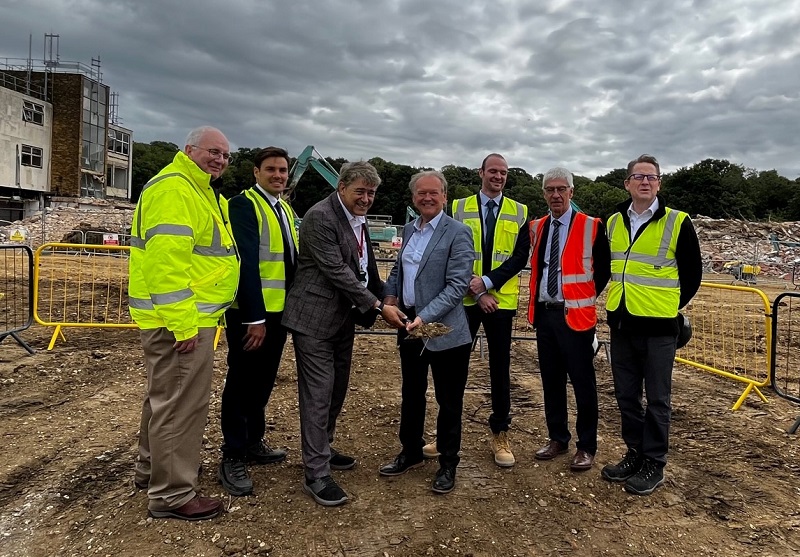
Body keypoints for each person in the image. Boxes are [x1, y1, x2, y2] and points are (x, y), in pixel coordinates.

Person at [129, 126, 239, 521]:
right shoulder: (176, 190)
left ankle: (151, 469)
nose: (220, 160)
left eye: (226, 155)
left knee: (164, 399)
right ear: (189, 149)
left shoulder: (196, 189)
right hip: (181, 322)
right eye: (213, 152)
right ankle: (172, 494)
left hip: (179, 318)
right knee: (180, 406)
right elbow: (166, 264)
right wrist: (183, 325)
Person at [282, 161, 406, 507]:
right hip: (314, 320)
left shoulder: (358, 219)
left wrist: (390, 297)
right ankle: (316, 473)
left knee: (337, 390)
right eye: (360, 192)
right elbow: (337, 272)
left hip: (342, 320)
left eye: (371, 192)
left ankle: (323, 446)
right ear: (341, 188)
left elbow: (365, 270)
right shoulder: (321, 216)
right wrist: (380, 308)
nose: (366, 198)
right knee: (318, 394)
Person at [601, 154, 702, 495]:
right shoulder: (613, 221)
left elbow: (692, 275)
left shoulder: (677, 221)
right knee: (627, 397)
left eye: (651, 177)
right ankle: (635, 453)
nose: (645, 182)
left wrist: (668, 305)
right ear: (627, 183)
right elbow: (605, 269)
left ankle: (654, 463)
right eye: (638, 176)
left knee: (658, 399)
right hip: (622, 324)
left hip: (659, 328)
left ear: (659, 183)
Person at [378, 170, 474, 494]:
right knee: (412, 392)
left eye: (434, 193)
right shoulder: (409, 228)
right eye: (422, 194)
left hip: (441, 324)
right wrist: (389, 297)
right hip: (409, 322)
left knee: (449, 399)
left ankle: (448, 462)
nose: (428, 198)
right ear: (414, 197)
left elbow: (457, 285)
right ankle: (411, 451)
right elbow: (398, 269)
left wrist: (425, 317)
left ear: (445, 196)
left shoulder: (458, 232)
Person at [217, 147, 297, 496]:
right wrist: (254, 318)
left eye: (283, 170)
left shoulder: (285, 209)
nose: (278, 175)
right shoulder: (244, 205)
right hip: (253, 316)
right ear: (256, 172)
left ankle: (253, 441)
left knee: (263, 382)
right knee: (241, 382)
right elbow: (247, 264)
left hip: (278, 314)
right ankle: (233, 453)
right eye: (271, 169)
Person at [447, 153, 530, 467]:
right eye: (493, 171)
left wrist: (487, 283)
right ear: (480, 172)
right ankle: (446, 434)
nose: (498, 176)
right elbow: (451, 252)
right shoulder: (456, 207)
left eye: (503, 173)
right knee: (454, 368)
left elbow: (519, 257)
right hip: (465, 300)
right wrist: (474, 287)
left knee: (500, 369)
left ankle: (500, 433)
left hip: (500, 303)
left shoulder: (519, 211)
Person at [527, 167, 610, 472]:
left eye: (562, 189)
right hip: (546, 316)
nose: (556, 195)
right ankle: (557, 438)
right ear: (544, 194)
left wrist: (582, 297)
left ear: (572, 193)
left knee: (583, 384)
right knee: (551, 381)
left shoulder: (590, 226)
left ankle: (586, 446)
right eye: (550, 190)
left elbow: (603, 270)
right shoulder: (537, 227)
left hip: (576, 317)